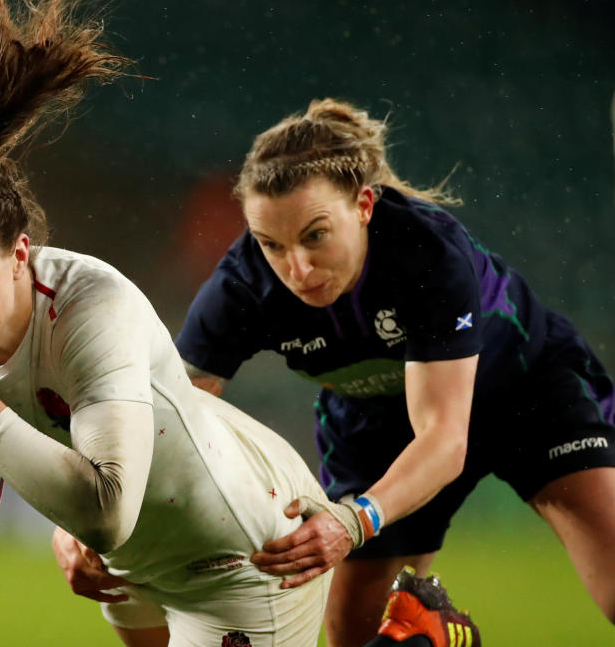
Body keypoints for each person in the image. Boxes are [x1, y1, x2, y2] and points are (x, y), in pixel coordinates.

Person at [0, 0, 349, 647]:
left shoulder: (94, 305)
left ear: (19, 254)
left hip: (246, 551)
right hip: (126, 573)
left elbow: (107, 514)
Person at [165, 99, 615, 645]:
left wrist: (353, 520)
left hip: (532, 393)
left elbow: (446, 439)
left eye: (314, 235)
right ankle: (432, 629)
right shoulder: (240, 288)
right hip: (377, 422)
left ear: (364, 205)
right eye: (271, 245)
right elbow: (171, 421)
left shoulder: (427, 253)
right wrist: (99, 531)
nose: (297, 270)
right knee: (357, 635)